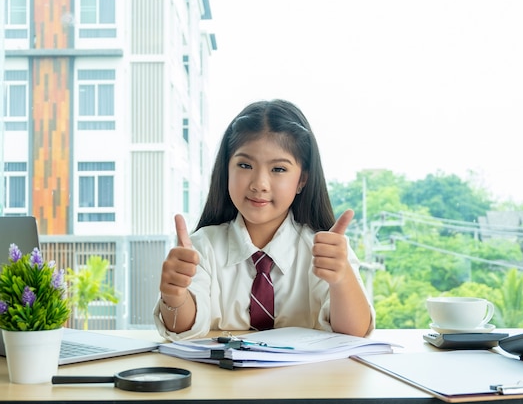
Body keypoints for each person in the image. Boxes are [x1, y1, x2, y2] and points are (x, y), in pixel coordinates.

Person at [153, 99, 374, 340]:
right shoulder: (201, 248)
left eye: (278, 169)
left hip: (307, 378)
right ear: (226, 170)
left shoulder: (325, 250)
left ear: (302, 180)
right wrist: (174, 297)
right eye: (245, 165)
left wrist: (341, 279)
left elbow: (355, 333)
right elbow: (182, 329)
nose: (259, 184)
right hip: (223, 377)